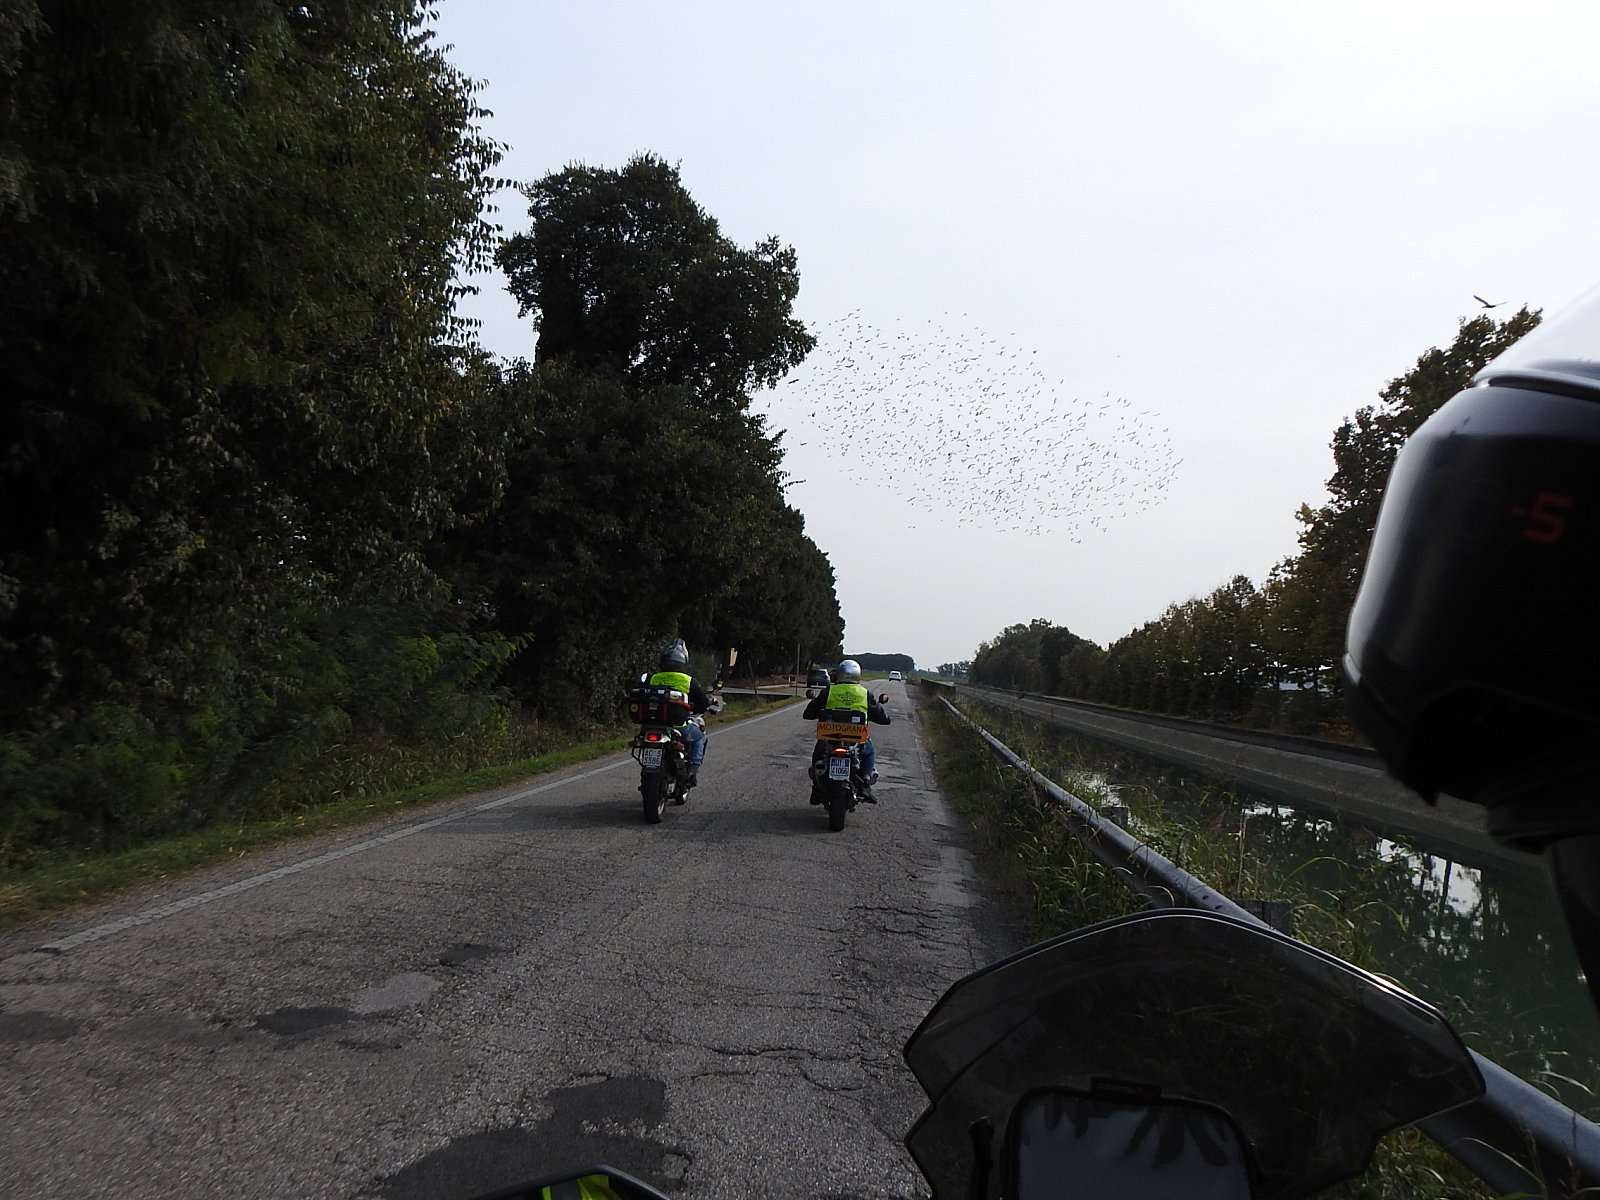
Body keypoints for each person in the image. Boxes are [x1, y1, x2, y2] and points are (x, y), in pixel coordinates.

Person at [803, 658, 890, 798]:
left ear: (839, 673)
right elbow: (879, 714)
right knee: (869, 752)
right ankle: (865, 781)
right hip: (856, 739)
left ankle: (817, 784)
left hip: (830, 737)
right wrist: (885, 719)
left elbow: (810, 712)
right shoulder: (865, 693)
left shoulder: (829, 691)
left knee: (819, 752)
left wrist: (815, 713)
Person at [645, 638, 716, 792]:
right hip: (678, 725)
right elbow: (703, 702)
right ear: (683, 662)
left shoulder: (653, 677)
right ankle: (692, 772)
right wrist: (710, 701)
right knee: (699, 738)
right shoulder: (688, 681)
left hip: (651, 724)